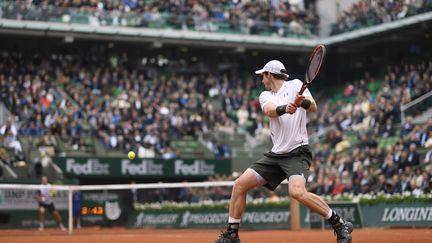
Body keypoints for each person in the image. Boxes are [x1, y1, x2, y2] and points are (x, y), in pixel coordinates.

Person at [214, 60, 353, 243]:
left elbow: (313, 106)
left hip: (297, 151)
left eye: (262, 75)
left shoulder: (296, 85)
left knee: (297, 192)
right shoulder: (265, 95)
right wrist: (285, 108)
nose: (261, 79)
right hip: (276, 155)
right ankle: (232, 235)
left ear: (269, 75)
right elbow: (270, 111)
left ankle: (339, 223)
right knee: (239, 185)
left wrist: (301, 102)